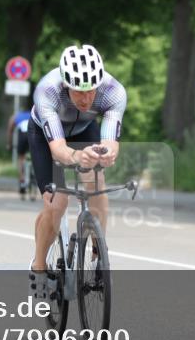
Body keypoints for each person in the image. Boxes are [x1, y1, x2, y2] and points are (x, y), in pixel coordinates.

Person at [27, 44, 126, 296]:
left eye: (91, 91)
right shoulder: (47, 91)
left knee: (97, 184)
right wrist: (78, 156)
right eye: (79, 92)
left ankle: (98, 252)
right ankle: (39, 266)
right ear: (65, 85)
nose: (86, 99)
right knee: (56, 203)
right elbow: (59, 149)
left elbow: (110, 141)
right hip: (46, 135)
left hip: (84, 130)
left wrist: (107, 153)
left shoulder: (113, 91)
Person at [6, 108, 32, 198]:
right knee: (36, 155)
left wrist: (9, 144)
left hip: (23, 136)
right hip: (33, 135)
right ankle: (35, 176)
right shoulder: (33, 114)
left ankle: (22, 181)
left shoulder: (15, 116)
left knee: (21, 157)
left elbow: (10, 131)